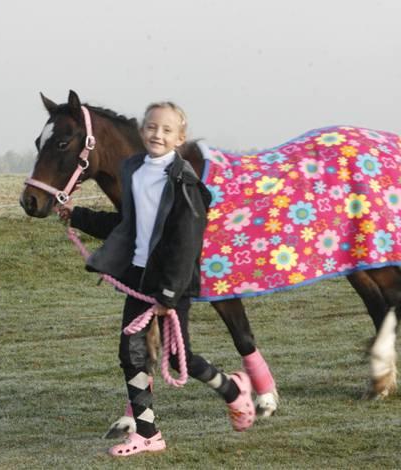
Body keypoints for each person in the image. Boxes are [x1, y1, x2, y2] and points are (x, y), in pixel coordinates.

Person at [57, 102, 256, 457]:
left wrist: (168, 293)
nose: (157, 135)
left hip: (170, 282)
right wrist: (78, 216)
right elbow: (127, 226)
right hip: (139, 277)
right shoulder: (133, 170)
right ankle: (148, 434)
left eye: (166, 130)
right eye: (151, 127)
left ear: (180, 138)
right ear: (142, 131)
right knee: (131, 354)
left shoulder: (184, 183)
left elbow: (186, 242)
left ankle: (233, 390)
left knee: (181, 361)